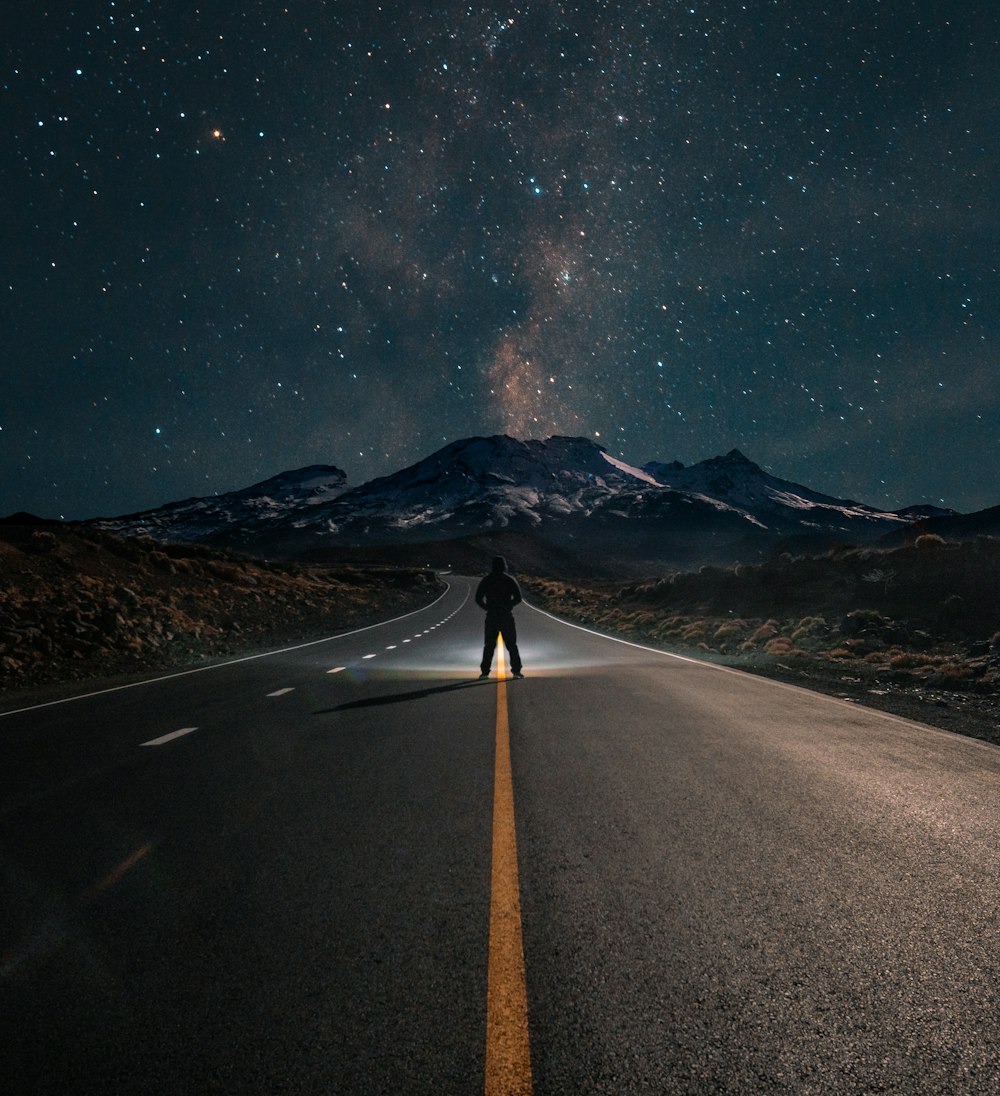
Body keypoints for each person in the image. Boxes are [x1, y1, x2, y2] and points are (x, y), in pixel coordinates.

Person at [475, 556, 524, 679]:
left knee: (489, 645)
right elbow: (518, 598)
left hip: (491, 616)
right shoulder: (509, 580)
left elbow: (478, 598)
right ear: (504, 566)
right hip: (506, 616)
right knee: (511, 645)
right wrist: (509, 605)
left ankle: (485, 672)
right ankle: (516, 671)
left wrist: (487, 608)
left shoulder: (487, 580)